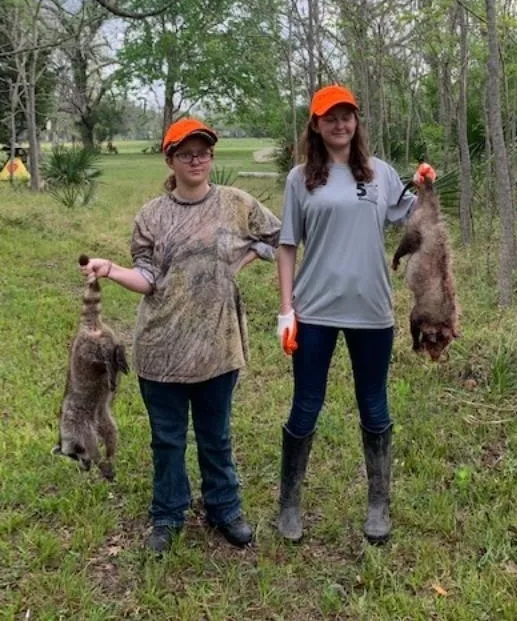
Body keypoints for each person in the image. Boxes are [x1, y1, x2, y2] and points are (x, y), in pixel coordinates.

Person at [80, 118, 281, 554]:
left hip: (217, 343)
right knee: (167, 439)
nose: (197, 159)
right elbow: (149, 277)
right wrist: (111, 269)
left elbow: (277, 237)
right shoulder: (152, 215)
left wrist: (241, 260)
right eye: (186, 152)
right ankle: (168, 514)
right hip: (161, 347)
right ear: (169, 158)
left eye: (204, 151)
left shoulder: (236, 203)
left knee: (217, 435)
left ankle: (224, 509)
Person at [276, 85, 424, 544]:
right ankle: (290, 504)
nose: (340, 124)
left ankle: (378, 504)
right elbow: (286, 245)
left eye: (347, 116)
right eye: (330, 117)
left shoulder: (379, 174)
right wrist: (286, 310)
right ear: (315, 125)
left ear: (356, 121)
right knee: (306, 406)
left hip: (372, 310)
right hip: (315, 309)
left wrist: (426, 185)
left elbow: (413, 217)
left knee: (374, 405)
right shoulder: (300, 178)